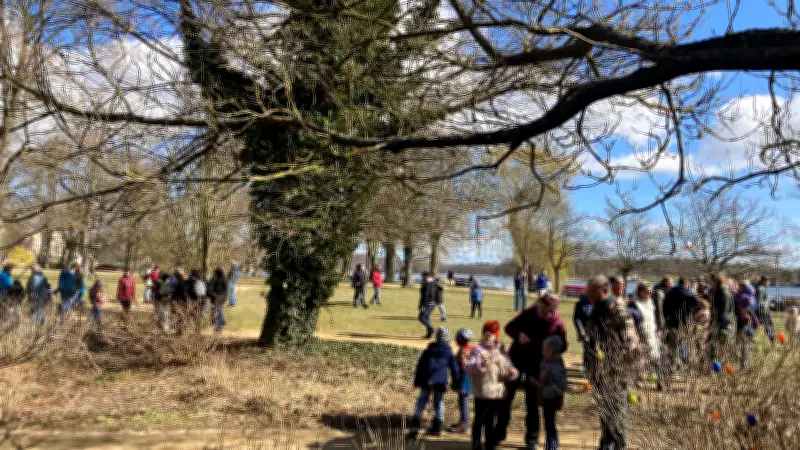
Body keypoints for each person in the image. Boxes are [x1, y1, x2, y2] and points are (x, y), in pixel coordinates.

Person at [498, 293, 567, 449]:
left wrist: (553, 349)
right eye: (547, 308)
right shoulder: (529, 313)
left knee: (532, 403)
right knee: (506, 398)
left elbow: (563, 345)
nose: (549, 312)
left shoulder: (557, 323)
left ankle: (532, 439)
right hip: (517, 360)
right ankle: (499, 432)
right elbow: (509, 327)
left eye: (553, 310)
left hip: (538, 366)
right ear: (541, 304)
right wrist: (518, 336)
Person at [585, 275, 641, 450]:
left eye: (592, 292)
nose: (589, 296)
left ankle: (617, 445)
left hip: (617, 372)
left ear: (605, 291)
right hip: (599, 371)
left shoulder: (619, 312)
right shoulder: (596, 310)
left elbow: (631, 345)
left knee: (617, 411)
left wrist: (627, 372)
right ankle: (606, 442)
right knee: (605, 410)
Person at [466, 321, 519, 450]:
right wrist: (481, 365)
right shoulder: (477, 351)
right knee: (479, 420)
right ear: (483, 334)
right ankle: (476, 443)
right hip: (482, 392)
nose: (489, 336)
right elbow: (469, 367)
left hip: (497, 393)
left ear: (497, 335)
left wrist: (512, 373)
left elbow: (508, 370)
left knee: (490, 421)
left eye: (492, 334)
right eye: (486, 333)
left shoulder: (501, 352)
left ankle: (489, 444)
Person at [408, 327, 460, 439]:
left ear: (436, 337)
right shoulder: (448, 352)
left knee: (421, 401)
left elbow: (420, 366)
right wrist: (456, 384)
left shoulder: (428, 350)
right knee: (439, 402)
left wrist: (417, 382)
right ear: (447, 339)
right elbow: (454, 369)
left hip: (426, 380)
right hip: (440, 381)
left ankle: (415, 426)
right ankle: (437, 427)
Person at [530, 335, 567, 450]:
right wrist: (537, 383)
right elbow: (545, 381)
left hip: (552, 399)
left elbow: (560, 386)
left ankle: (553, 446)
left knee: (550, 425)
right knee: (548, 424)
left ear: (551, 351)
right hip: (546, 398)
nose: (543, 352)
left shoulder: (556, 367)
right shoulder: (546, 361)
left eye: (544, 350)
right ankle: (550, 445)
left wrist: (546, 391)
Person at [628, 283, 662, 387]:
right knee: (639, 358)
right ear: (640, 291)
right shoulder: (633, 304)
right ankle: (639, 380)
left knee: (655, 358)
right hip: (640, 334)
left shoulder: (651, 302)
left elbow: (656, 317)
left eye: (650, 291)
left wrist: (659, 329)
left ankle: (659, 381)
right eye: (647, 291)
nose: (650, 293)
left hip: (652, 333)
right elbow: (631, 321)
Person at [663, 278, 699, 369]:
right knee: (686, 343)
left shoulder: (670, 293)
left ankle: (673, 365)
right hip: (686, 323)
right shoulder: (690, 294)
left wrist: (668, 319)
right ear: (686, 284)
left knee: (673, 345)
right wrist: (689, 316)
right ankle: (685, 364)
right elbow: (696, 307)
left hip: (673, 323)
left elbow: (664, 308)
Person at [448, 328, 475, 434]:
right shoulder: (472, 348)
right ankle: (462, 423)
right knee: (463, 402)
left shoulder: (463, 350)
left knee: (463, 402)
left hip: (464, 380)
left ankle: (464, 425)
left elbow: (464, 366)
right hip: (470, 380)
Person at [709, 272, 735, 361]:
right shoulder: (717, 292)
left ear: (716, 281)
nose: (709, 283)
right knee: (714, 347)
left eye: (711, 281)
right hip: (717, 323)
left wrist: (724, 323)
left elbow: (724, 311)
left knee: (722, 348)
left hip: (723, 325)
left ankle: (722, 368)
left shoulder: (724, 293)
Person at [734, 280, 758, 369]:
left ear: (741, 287)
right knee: (745, 343)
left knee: (742, 343)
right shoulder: (752, 295)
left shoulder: (741, 296)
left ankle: (744, 365)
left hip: (742, 321)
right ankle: (746, 364)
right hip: (750, 321)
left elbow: (743, 310)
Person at [573, 292, 593, 367]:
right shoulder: (581, 303)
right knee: (587, 347)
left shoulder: (600, 302)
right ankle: (587, 366)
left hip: (598, 330)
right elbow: (577, 318)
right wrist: (581, 330)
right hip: (586, 330)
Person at [208, 267, 228, 333]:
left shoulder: (214, 278)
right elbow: (226, 290)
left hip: (217, 298)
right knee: (219, 311)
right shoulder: (224, 278)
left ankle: (218, 328)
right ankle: (222, 321)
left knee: (218, 312)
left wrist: (213, 295)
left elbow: (210, 289)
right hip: (221, 297)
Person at [755, 276, 776, 342]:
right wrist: (768, 303)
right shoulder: (760, 289)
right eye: (768, 281)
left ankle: (772, 339)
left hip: (765, 310)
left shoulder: (763, 288)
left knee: (769, 325)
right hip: (762, 311)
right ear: (764, 281)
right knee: (768, 325)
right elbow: (758, 301)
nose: (770, 283)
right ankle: (772, 340)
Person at [418, 272, 436, 339]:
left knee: (421, 318)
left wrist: (422, 305)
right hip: (432, 303)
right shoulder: (433, 282)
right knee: (427, 318)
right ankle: (429, 334)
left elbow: (425, 295)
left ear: (426, 276)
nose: (422, 277)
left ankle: (431, 329)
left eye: (423, 276)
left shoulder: (427, 283)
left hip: (427, 303)